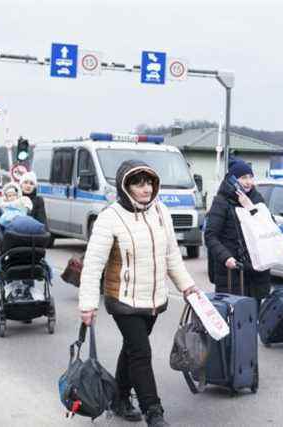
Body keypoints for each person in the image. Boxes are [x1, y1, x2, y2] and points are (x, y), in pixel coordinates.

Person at [78, 160, 198, 427]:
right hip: (122, 299)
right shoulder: (111, 217)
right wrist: (88, 304)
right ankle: (154, 412)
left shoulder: (160, 211)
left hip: (154, 299)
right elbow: (93, 264)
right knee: (141, 353)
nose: (145, 189)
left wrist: (187, 286)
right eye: (137, 183)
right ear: (125, 186)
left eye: (148, 182)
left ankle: (119, 399)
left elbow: (171, 256)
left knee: (132, 350)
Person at [204, 158, 271, 305]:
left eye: (250, 177)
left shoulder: (256, 198)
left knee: (255, 317)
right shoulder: (221, 202)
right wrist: (226, 257)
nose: (248, 182)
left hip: (257, 271)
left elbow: (268, 227)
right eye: (243, 178)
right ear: (233, 180)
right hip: (232, 272)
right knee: (234, 318)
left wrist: (251, 208)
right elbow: (210, 235)